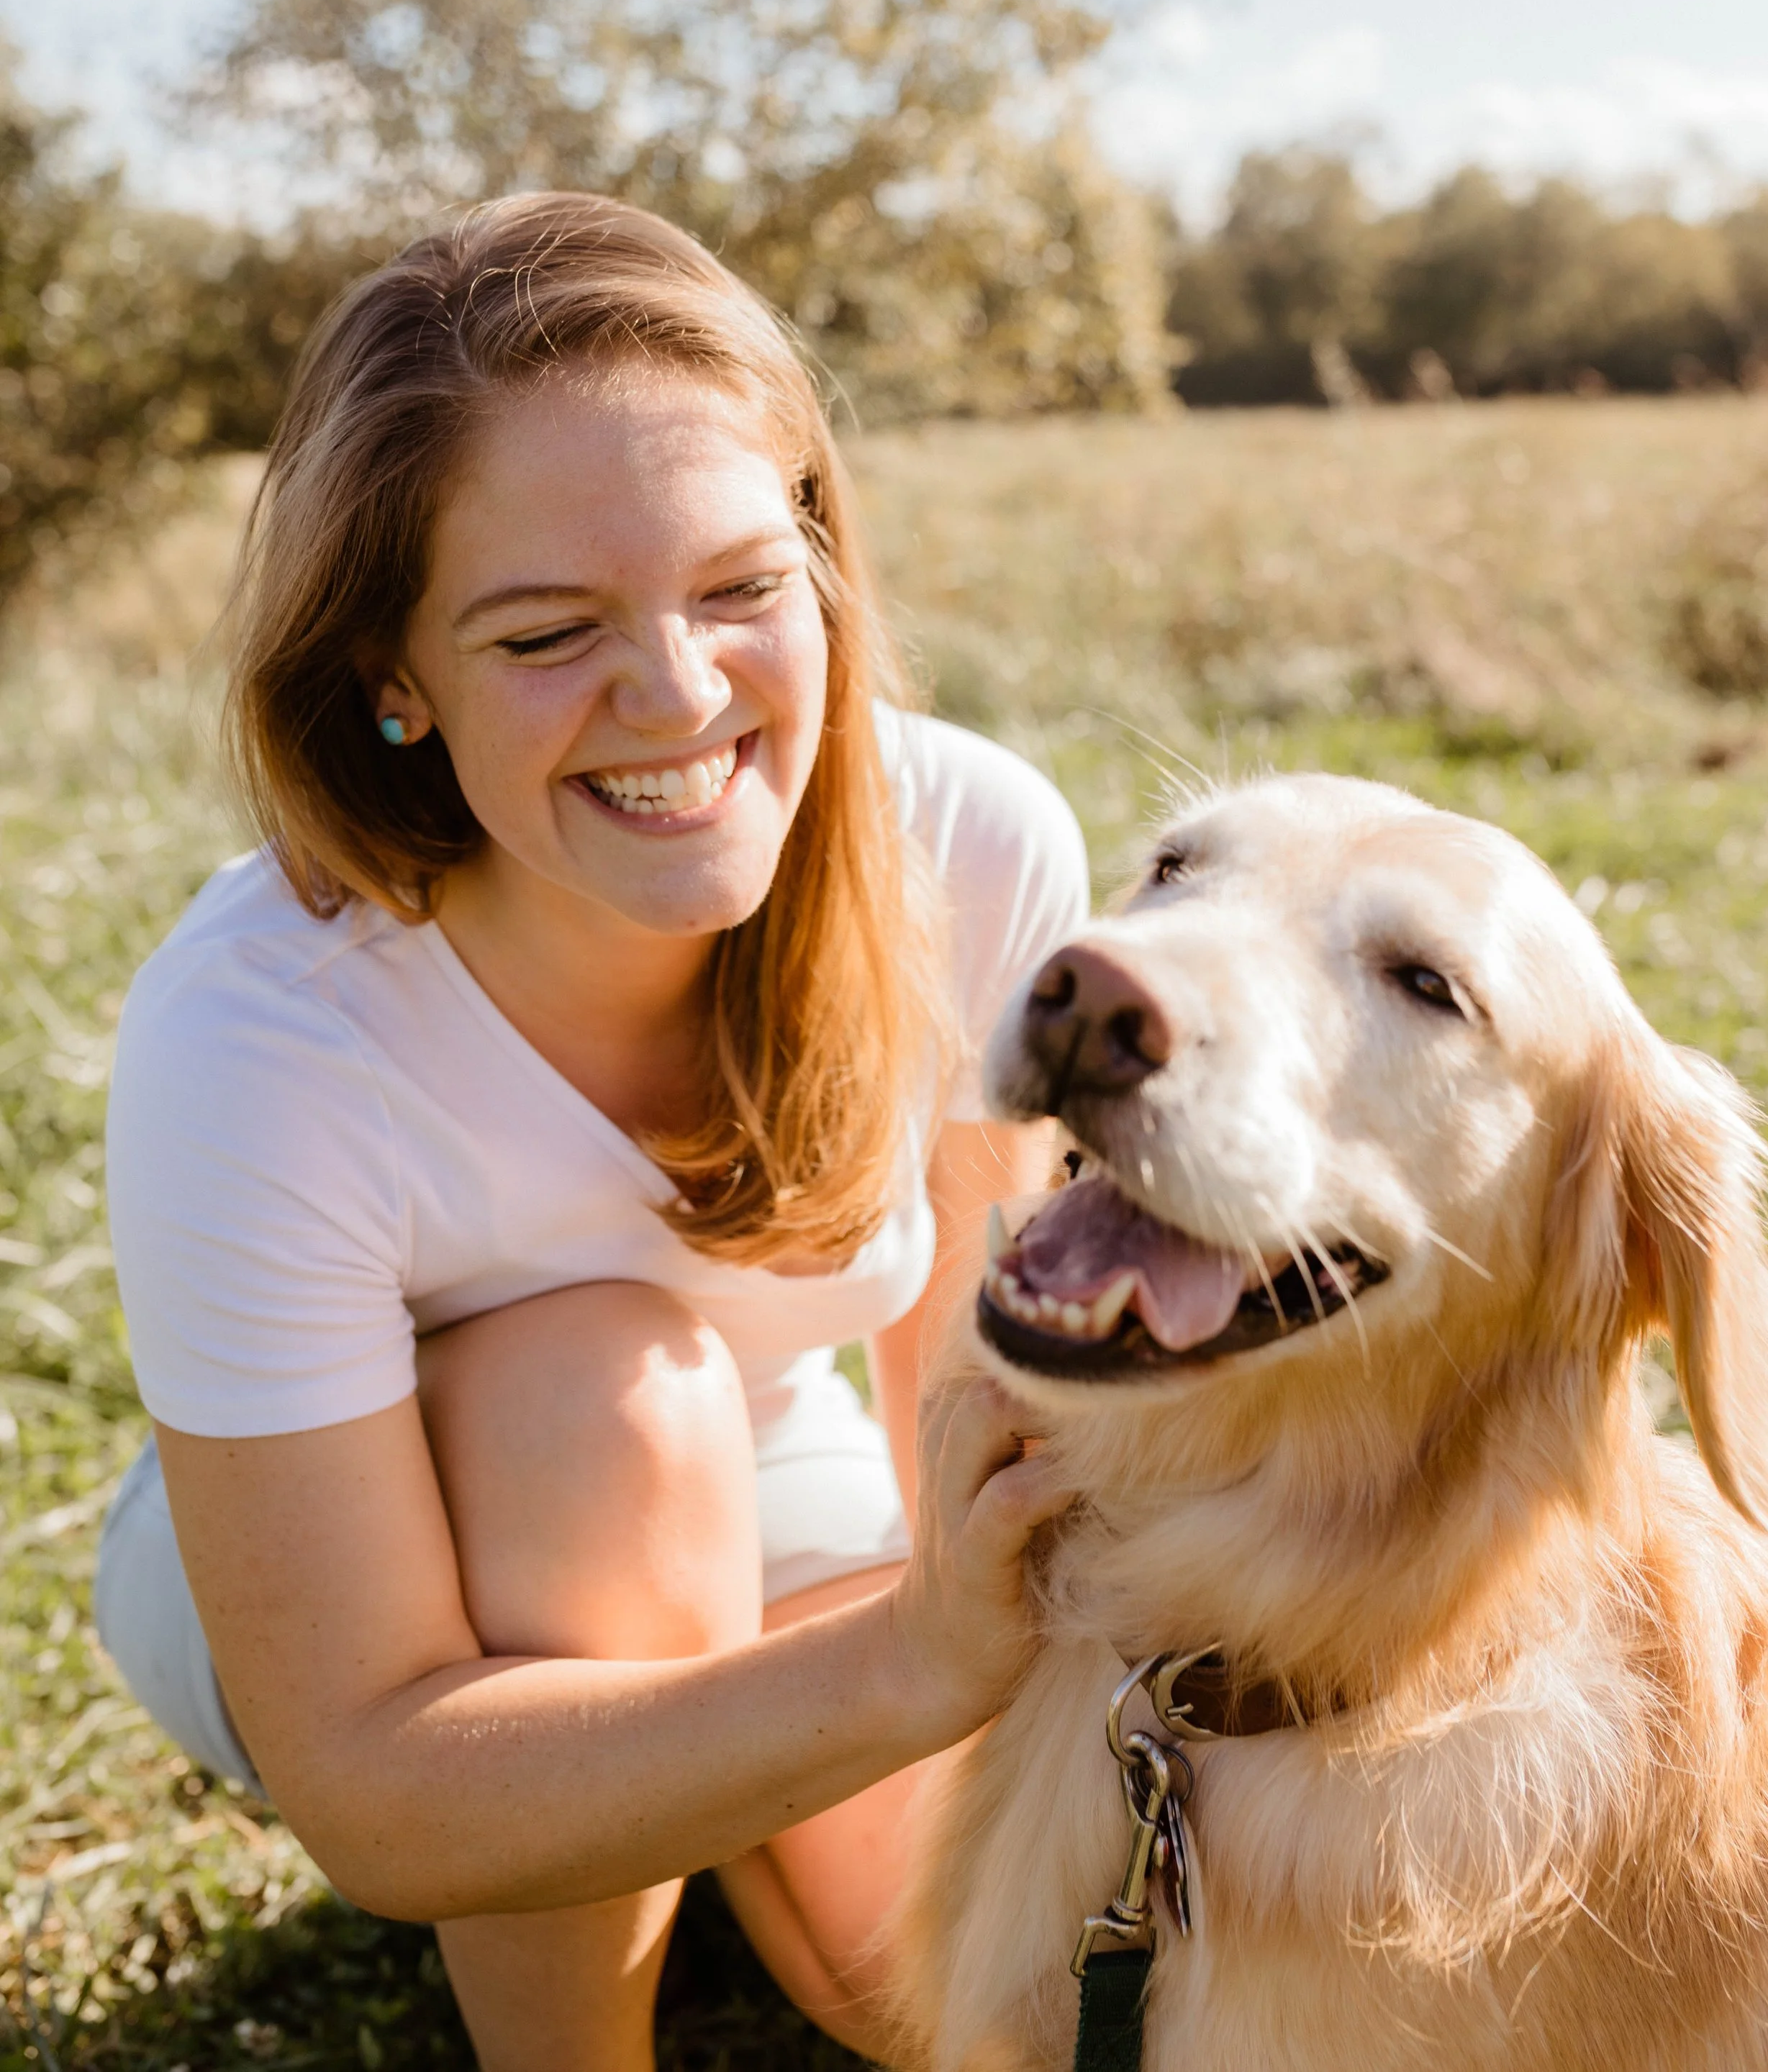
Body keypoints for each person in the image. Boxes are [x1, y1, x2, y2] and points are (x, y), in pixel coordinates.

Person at [94, 195, 1089, 2072]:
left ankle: (670, 1785)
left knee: (980, 2010)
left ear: (818, 564)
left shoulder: (971, 843)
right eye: (549, 629)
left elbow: (964, 1416)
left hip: (767, 1461)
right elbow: (382, 1785)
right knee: (603, 1388)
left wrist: (958, 1666)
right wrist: (895, 1666)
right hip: (325, 1568)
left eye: (736, 586)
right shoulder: (257, 1028)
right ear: (392, 676)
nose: (683, 696)